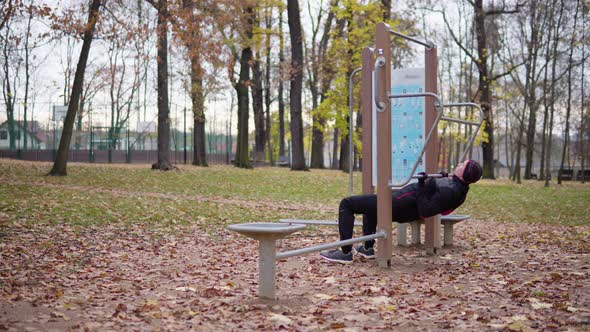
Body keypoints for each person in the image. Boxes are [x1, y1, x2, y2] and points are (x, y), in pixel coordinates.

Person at [320, 159, 483, 264]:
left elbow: (426, 211)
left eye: (463, 164)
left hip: (398, 205)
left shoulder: (451, 191)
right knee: (371, 207)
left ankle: (345, 252)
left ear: (465, 173)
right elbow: (436, 193)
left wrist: (421, 185)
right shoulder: (457, 186)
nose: (459, 163)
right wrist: (438, 178)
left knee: (347, 203)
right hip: (400, 204)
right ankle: (367, 249)